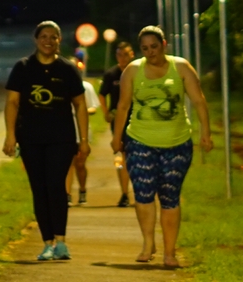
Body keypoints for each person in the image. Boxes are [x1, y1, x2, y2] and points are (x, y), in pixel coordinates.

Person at [111, 25, 212, 267]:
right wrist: (117, 137)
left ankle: (170, 252)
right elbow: (123, 106)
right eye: (145, 48)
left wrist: (205, 132)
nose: (150, 52)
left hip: (176, 144)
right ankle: (148, 243)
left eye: (154, 47)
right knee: (144, 194)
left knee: (170, 197)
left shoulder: (181, 67)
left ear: (164, 45)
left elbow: (198, 100)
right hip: (140, 141)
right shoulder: (133, 71)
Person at [3, 21, 90, 261]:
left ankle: (61, 242)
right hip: (30, 138)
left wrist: (83, 140)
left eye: (53, 37)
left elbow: (80, 104)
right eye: (43, 36)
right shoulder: (22, 68)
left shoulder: (68, 69)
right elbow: (12, 102)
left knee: (55, 186)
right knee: (39, 189)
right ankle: (47, 242)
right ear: (36, 39)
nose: (48, 41)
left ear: (59, 41)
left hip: (61, 138)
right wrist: (10, 135)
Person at [100, 40, 136, 207]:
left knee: (137, 158)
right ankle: (124, 193)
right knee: (121, 158)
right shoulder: (111, 74)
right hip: (119, 121)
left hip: (138, 120)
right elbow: (102, 94)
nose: (122, 58)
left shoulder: (138, 71)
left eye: (126, 55)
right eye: (119, 55)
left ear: (132, 55)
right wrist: (106, 112)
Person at [65, 58, 101, 205]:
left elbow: (93, 107)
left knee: (80, 163)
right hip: (65, 130)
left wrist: (82, 111)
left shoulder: (85, 86)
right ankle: (66, 194)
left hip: (81, 130)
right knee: (67, 164)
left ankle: (82, 189)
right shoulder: (61, 85)